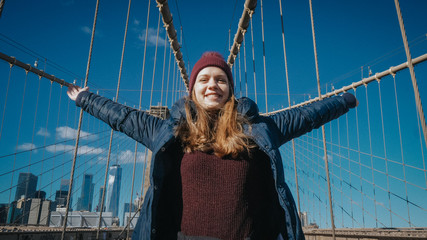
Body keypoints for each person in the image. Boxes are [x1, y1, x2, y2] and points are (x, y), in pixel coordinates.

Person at [67, 52, 358, 240]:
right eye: (204, 79)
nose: (212, 85)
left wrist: (343, 101)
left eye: (221, 80)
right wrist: (85, 99)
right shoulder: (167, 130)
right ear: (192, 89)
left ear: (230, 89)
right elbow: (124, 118)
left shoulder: (259, 129)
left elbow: (306, 117)